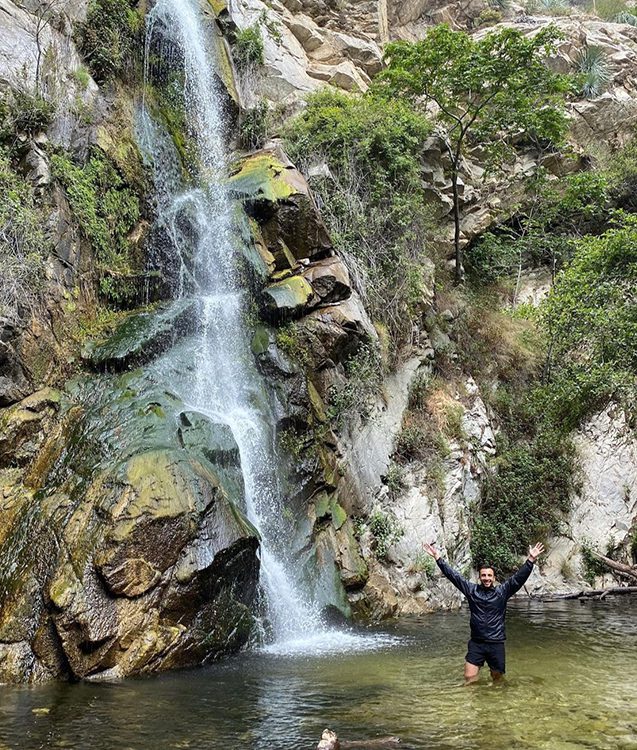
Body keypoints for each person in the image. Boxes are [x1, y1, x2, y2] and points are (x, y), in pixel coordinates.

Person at [422, 541, 545, 683]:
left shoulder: (502, 592)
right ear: (480, 577)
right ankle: (473, 704)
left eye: (489, 575)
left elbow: (518, 579)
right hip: (477, 643)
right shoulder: (471, 590)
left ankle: (496, 702)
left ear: (494, 578)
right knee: (469, 677)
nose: (486, 578)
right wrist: (438, 558)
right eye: (483, 575)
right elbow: (454, 576)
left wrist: (531, 560)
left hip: (496, 642)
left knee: (497, 680)